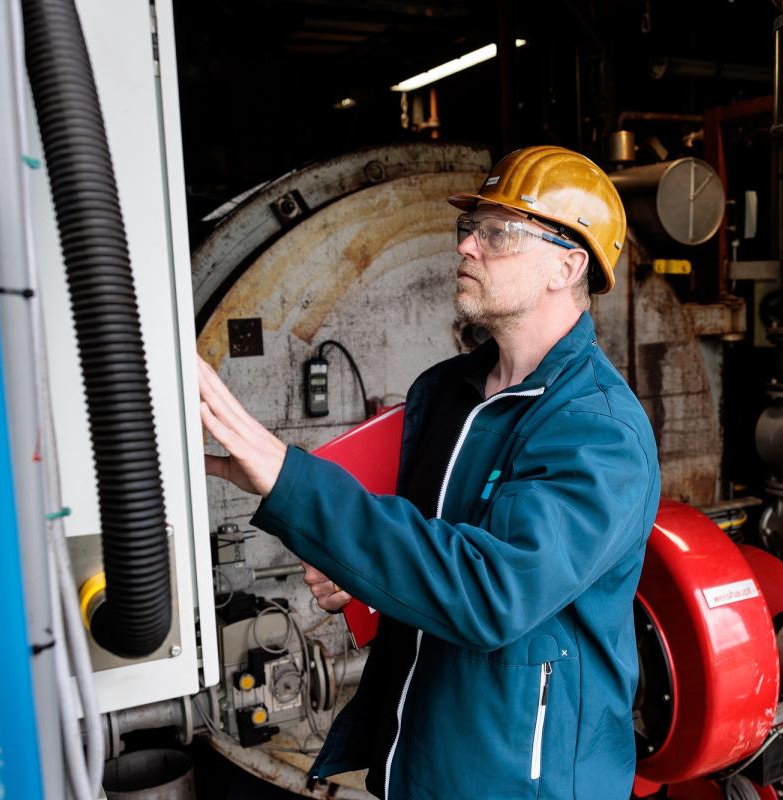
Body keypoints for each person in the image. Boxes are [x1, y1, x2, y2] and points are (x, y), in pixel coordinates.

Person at [198, 145, 660, 800]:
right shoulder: (444, 393)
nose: (467, 246)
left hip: (523, 783)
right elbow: (431, 550)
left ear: (568, 264)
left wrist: (287, 478)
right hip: (415, 762)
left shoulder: (598, 430)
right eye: (468, 228)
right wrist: (359, 576)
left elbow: (490, 593)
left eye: (497, 233)